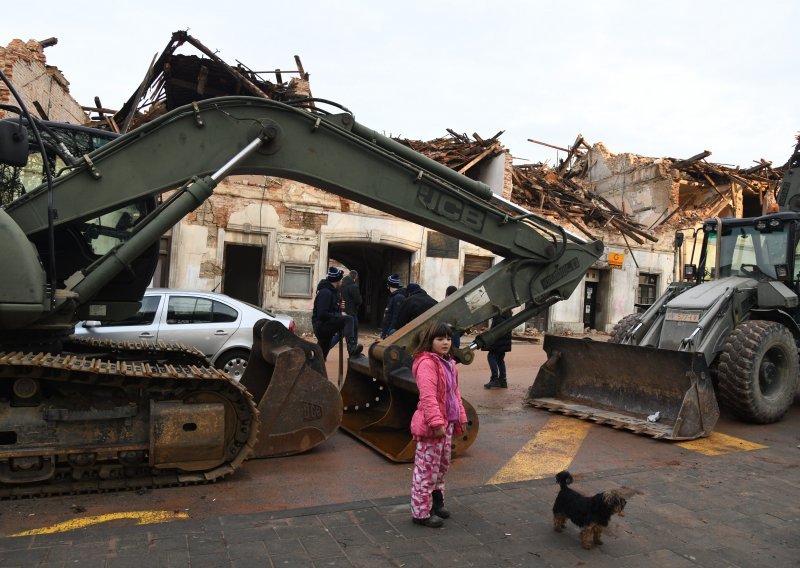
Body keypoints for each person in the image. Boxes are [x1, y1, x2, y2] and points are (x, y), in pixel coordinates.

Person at [409, 321, 468, 528]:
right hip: (432, 426)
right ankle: (420, 512)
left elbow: (455, 394)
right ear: (430, 341)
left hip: (447, 424)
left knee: (441, 466)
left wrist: (461, 417)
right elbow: (428, 397)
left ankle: (436, 503)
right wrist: (436, 423)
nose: (445, 343)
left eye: (448, 339)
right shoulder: (427, 363)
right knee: (426, 469)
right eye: (440, 339)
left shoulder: (449, 363)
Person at [312, 266, 363, 360]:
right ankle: (351, 348)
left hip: (324, 326)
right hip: (321, 326)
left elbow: (329, 311)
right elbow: (322, 314)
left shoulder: (331, 292)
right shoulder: (325, 293)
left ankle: (313, 369)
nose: (342, 282)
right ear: (337, 281)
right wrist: (339, 315)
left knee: (320, 358)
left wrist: (338, 309)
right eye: (341, 280)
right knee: (348, 319)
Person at [331, 270, 362, 348]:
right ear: (355, 277)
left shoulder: (341, 285)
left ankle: (327, 346)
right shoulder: (354, 286)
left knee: (341, 333)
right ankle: (354, 353)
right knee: (353, 333)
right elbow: (358, 301)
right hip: (352, 313)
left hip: (342, 312)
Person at [484, 309, 513, 389]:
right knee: (500, 359)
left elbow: (496, 329)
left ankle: (495, 380)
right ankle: (503, 381)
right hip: (504, 340)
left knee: (491, 356)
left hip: (499, 340)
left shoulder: (500, 314)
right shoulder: (508, 313)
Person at [380, 273, 406, 339]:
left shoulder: (398, 297)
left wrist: (389, 332)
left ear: (389, 285)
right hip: (387, 331)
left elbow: (396, 316)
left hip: (391, 333)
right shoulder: (393, 296)